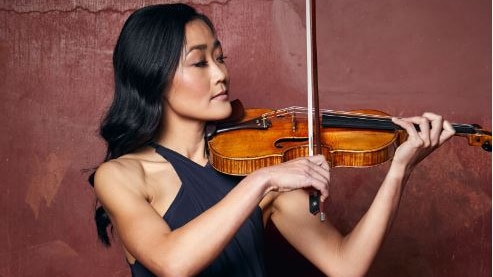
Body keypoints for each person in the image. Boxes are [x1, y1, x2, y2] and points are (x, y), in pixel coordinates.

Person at [89, 3, 455, 277]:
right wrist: (262, 180)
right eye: (200, 63)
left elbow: (346, 264)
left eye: (221, 58)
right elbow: (173, 262)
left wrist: (400, 170)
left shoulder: (258, 158)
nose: (221, 74)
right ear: (153, 76)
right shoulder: (121, 175)